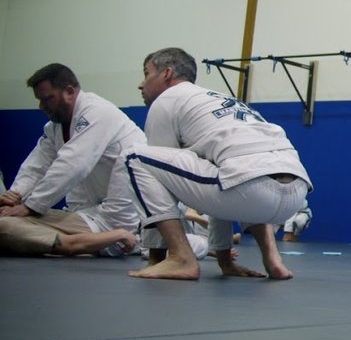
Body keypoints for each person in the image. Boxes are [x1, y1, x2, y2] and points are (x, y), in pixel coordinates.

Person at [123, 47, 312, 281]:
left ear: (167, 73)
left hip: (249, 188)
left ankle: (181, 258)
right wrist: (224, 260)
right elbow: (219, 179)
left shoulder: (167, 99)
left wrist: (157, 257)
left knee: (135, 157)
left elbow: (164, 185)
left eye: (146, 73)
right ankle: (274, 261)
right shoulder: (220, 100)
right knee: (232, 170)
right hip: (295, 195)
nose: (141, 84)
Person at [0, 63, 146, 258]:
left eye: (47, 99)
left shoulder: (97, 112)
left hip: (118, 219)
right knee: (7, 219)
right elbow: (36, 166)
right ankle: (72, 241)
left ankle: (97, 241)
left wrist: (30, 206)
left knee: (5, 224)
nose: (42, 106)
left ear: (69, 92)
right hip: (87, 214)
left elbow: (72, 165)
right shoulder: (55, 127)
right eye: (39, 100)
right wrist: (16, 195)